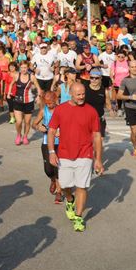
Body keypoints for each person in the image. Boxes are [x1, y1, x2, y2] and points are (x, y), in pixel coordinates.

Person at [48, 82, 105, 231]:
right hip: (64, 154)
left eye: (83, 94)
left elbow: (97, 136)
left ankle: (79, 217)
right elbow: (51, 131)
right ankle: (70, 199)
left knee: (81, 186)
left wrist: (98, 159)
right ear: (70, 94)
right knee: (65, 186)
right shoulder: (60, 110)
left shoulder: (91, 111)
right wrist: (51, 152)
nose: (81, 97)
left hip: (85, 153)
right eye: (78, 94)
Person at [34, 90, 62, 204]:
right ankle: (53, 180)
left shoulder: (61, 110)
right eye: (47, 103)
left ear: (55, 99)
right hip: (46, 142)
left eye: (50, 102)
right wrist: (38, 127)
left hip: (60, 143)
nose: (49, 105)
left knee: (58, 168)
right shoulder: (43, 111)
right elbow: (34, 123)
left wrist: (62, 132)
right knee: (48, 170)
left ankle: (59, 192)